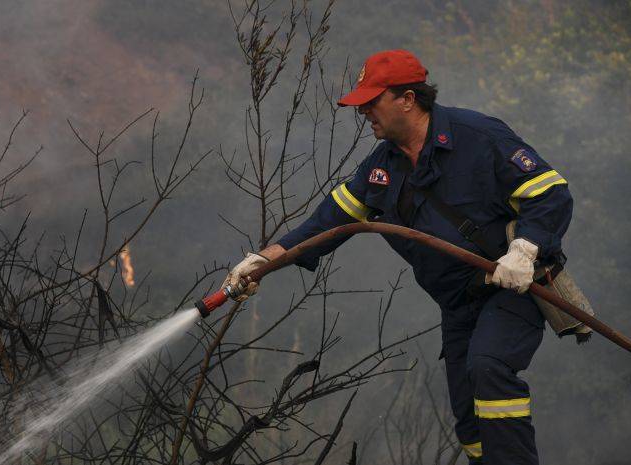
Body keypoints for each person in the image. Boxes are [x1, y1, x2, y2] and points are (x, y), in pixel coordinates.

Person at [221, 49, 572, 465]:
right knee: (470, 425)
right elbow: (323, 226)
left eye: (373, 101)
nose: (365, 112)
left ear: (408, 99)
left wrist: (524, 250)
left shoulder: (479, 136)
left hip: (511, 287)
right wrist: (263, 261)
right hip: (458, 304)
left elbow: (551, 192)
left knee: (489, 368)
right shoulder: (379, 169)